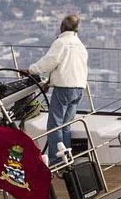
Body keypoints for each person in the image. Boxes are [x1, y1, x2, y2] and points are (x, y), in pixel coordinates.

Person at [23, 14, 88, 164]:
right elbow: (67, 67)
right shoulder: (80, 46)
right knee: (66, 125)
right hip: (79, 88)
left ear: (62, 27)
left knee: (54, 125)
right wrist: (49, 83)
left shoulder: (61, 43)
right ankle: (66, 157)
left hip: (64, 88)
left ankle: (55, 159)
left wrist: (31, 70)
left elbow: (50, 62)